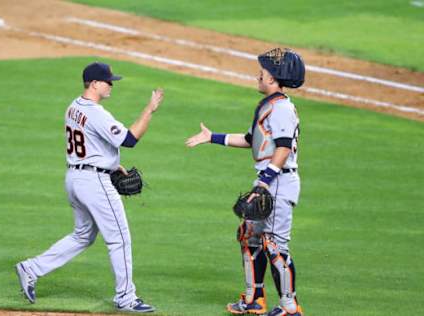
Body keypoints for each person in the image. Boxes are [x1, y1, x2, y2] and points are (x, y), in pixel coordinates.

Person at [15, 61, 164, 313]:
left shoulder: (73, 107)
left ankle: (31, 268)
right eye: (108, 82)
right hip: (94, 183)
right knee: (120, 239)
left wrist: (111, 165)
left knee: (82, 235)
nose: (112, 86)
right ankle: (126, 298)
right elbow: (129, 140)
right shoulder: (96, 113)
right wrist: (149, 110)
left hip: (75, 178)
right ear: (94, 84)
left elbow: (90, 141)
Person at [186, 48, 305, 316]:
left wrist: (264, 181)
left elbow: (283, 149)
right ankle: (254, 298)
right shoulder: (269, 105)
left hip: (278, 182)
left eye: (262, 71)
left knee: (274, 245)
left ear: (273, 79)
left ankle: (290, 306)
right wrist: (212, 137)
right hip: (268, 181)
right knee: (249, 236)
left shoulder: (282, 108)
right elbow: (252, 141)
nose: (258, 74)